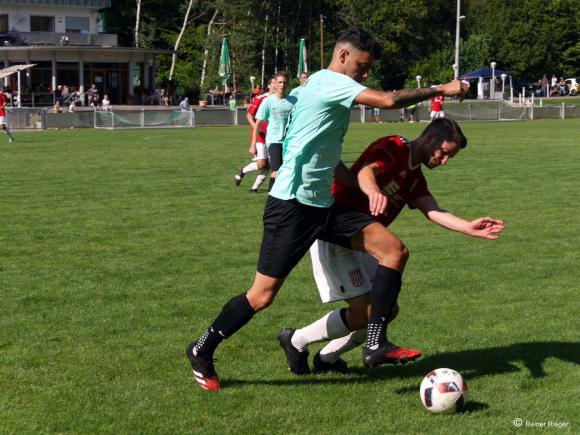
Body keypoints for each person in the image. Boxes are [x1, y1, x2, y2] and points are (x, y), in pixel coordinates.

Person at [186, 28, 468, 392]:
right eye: (363, 67)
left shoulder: (314, 90)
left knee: (394, 250)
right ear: (344, 57)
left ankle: (376, 343)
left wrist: (363, 186)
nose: (365, 75)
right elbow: (387, 100)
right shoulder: (330, 82)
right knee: (262, 296)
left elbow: (326, 155)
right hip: (291, 205)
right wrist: (442, 89)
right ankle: (201, 348)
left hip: (324, 205)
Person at [278, 119, 504, 374]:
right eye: (444, 154)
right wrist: (374, 191)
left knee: (386, 309)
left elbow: (432, 209)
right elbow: (366, 171)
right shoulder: (394, 146)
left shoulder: (414, 176)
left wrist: (468, 227)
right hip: (338, 234)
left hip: (366, 242)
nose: (444, 162)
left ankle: (327, 357)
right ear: (430, 139)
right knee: (366, 312)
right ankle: (296, 340)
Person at [251, 71, 297, 191]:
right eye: (280, 82)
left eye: (285, 82)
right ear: (274, 84)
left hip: (290, 142)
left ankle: (285, 196)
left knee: (289, 171)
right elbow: (257, 125)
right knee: (276, 170)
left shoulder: (293, 101)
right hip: (274, 140)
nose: (282, 85)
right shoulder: (267, 101)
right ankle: (272, 196)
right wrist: (253, 146)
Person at [234, 78, 276, 193]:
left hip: (274, 137)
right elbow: (249, 115)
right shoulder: (260, 98)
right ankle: (242, 171)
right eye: (272, 83)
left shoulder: (281, 99)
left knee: (271, 165)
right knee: (261, 164)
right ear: (269, 86)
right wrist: (255, 128)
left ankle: (254, 189)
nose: (275, 85)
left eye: (276, 83)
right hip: (260, 137)